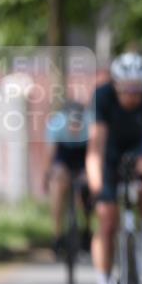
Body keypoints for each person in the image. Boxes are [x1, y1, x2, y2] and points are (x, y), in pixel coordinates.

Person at [86, 52, 142, 284]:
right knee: (107, 218)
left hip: (139, 146)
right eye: (127, 90)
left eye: (138, 90)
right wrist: (96, 184)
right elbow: (96, 146)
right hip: (110, 150)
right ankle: (104, 280)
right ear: (116, 85)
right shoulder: (102, 97)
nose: (133, 96)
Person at [44, 101, 92, 255]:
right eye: (72, 124)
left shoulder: (91, 124)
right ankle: (57, 235)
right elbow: (50, 155)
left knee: (86, 189)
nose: (75, 129)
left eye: (78, 125)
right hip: (63, 155)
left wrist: (90, 175)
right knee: (58, 185)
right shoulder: (56, 125)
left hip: (84, 154)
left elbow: (94, 155)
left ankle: (87, 229)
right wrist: (47, 176)